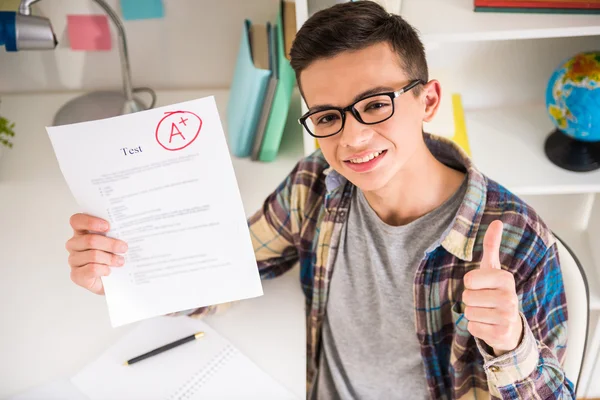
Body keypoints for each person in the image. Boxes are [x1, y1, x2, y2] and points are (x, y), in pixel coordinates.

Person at [65, 1, 573, 399]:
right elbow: (225, 269)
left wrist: (511, 343)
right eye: (328, 116)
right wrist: (120, 272)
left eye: (375, 104)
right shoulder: (318, 182)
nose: (351, 139)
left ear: (429, 100)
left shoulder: (519, 243)